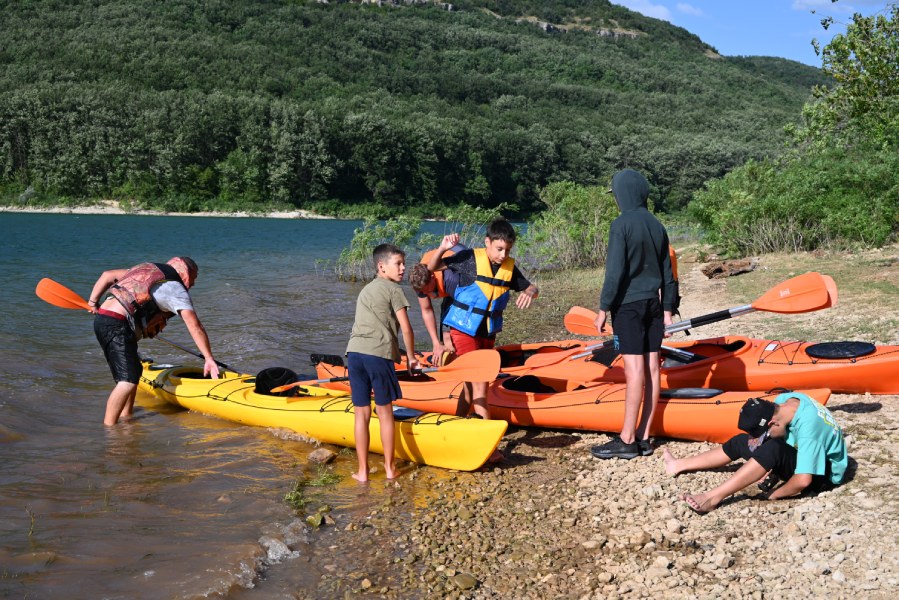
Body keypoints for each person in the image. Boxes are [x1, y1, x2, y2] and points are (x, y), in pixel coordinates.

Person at [590, 169, 677, 460]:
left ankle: (627, 439)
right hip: (653, 305)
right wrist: (668, 309)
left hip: (628, 306)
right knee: (652, 369)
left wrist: (603, 308)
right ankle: (645, 436)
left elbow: (615, 272)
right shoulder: (657, 225)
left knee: (634, 371)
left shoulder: (620, 224)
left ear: (623, 194)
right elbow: (668, 273)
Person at [663, 393, 848, 514]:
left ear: (772, 423)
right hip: (802, 452)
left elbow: (803, 481)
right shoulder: (787, 400)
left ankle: (712, 498)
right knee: (741, 442)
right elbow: (779, 439)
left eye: (762, 434)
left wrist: (774, 494)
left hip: (823, 475)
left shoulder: (808, 431)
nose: (758, 439)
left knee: (773, 447)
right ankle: (679, 465)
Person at [87, 257, 219, 426]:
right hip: (117, 324)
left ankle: (126, 417)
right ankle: (110, 430)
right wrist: (208, 358)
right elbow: (195, 325)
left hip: (106, 320)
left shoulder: (147, 271)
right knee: (127, 381)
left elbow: (107, 275)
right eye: (193, 278)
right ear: (186, 273)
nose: (192, 284)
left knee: (134, 372)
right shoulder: (175, 288)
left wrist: (93, 303)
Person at [428, 219, 538, 420]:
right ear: (487, 242)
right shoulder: (469, 259)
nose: (503, 255)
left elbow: (531, 287)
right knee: (480, 385)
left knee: (470, 386)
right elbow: (433, 266)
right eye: (499, 249)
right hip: (463, 331)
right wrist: (443, 248)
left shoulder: (508, 268)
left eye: (507, 250)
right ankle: (488, 433)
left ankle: (458, 422)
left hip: (487, 334)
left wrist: (530, 293)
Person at [345, 243, 419, 482]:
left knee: (361, 413)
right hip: (378, 354)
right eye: (398, 263)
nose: (403, 268)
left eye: (403, 263)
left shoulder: (365, 290)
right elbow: (406, 329)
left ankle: (363, 472)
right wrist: (411, 358)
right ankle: (389, 468)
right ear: (381, 266)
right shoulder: (393, 289)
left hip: (354, 354)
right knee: (385, 412)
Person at [408, 233, 467, 361]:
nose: (427, 294)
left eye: (428, 291)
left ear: (433, 276)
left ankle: (462, 354)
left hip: (460, 258)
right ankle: (445, 350)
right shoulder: (419, 282)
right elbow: (427, 310)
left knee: (455, 330)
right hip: (447, 282)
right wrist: (436, 343)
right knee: (445, 333)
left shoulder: (451, 279)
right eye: (424, 292)